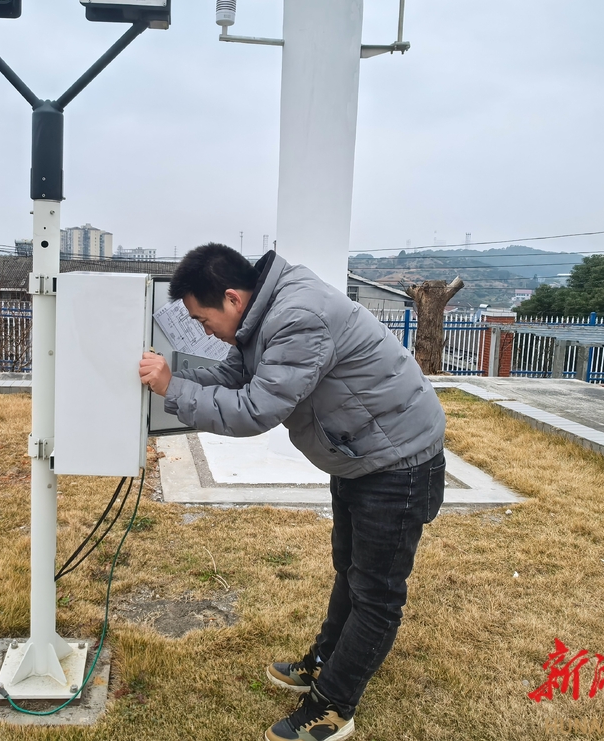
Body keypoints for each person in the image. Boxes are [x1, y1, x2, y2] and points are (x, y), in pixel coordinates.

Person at [139, 244, 446, 741]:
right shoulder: (268, 311)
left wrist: (175, 390)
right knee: (350, 571)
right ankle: (325, 660)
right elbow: (235, 375)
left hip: (397, 462)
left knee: (376, 594)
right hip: (361, 453)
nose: (201, 330)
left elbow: (254, 409)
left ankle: (333, 707)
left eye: (201, 319)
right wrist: (172, 378)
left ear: (233, 298)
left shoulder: (298, 318)